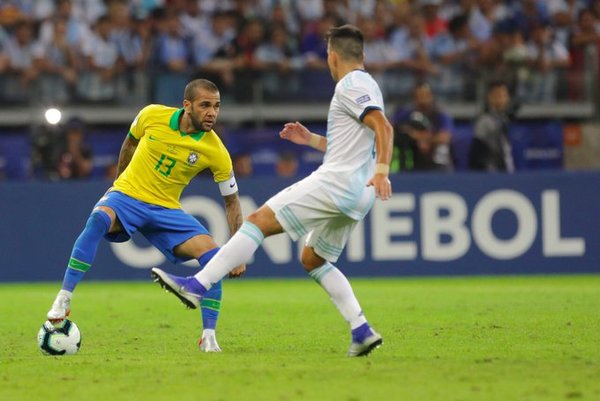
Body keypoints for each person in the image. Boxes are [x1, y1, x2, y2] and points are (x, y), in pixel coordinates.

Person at [151, 25, 394, 357]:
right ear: (362, 55)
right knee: (313, 259)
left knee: (257, 221)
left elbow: (383, 126)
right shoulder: (368, 85)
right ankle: (361, 329)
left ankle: (197, 285)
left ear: (332, 56)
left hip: (338, 183)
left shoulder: (351, 84)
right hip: (358, 194)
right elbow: (352, 145)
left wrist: (383, 171)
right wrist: (309, 140)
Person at [46, 79, 245, 352]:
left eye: (217, 106)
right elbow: (129, 143)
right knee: (98, 219)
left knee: (214, 256)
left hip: (167, 210)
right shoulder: (152, 115)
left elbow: (232, 202)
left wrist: (237, 250)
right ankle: (64, 297)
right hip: (128, 196)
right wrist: (119, 183)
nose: (212, 112)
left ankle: (209, 337)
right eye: (205, 105)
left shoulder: (216, 151)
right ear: (187, 105)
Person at [392, 82, 454, 171]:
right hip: (414, 162)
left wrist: (420, 137)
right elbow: (389, 128)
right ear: (414, 98)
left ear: (431, 96)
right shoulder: (406, 114)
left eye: (425, 95)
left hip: (439, 164)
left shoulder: (440, 114)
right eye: (419, 96)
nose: (422, 99)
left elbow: (445, 137)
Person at [468, 80, 517, 172]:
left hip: (506, 169)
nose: (501, 100)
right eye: (497, 96)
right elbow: (478, 151)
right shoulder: (484, 121)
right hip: (492, 172)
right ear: (489, 98)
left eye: (503, 96)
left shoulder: (504, 119)